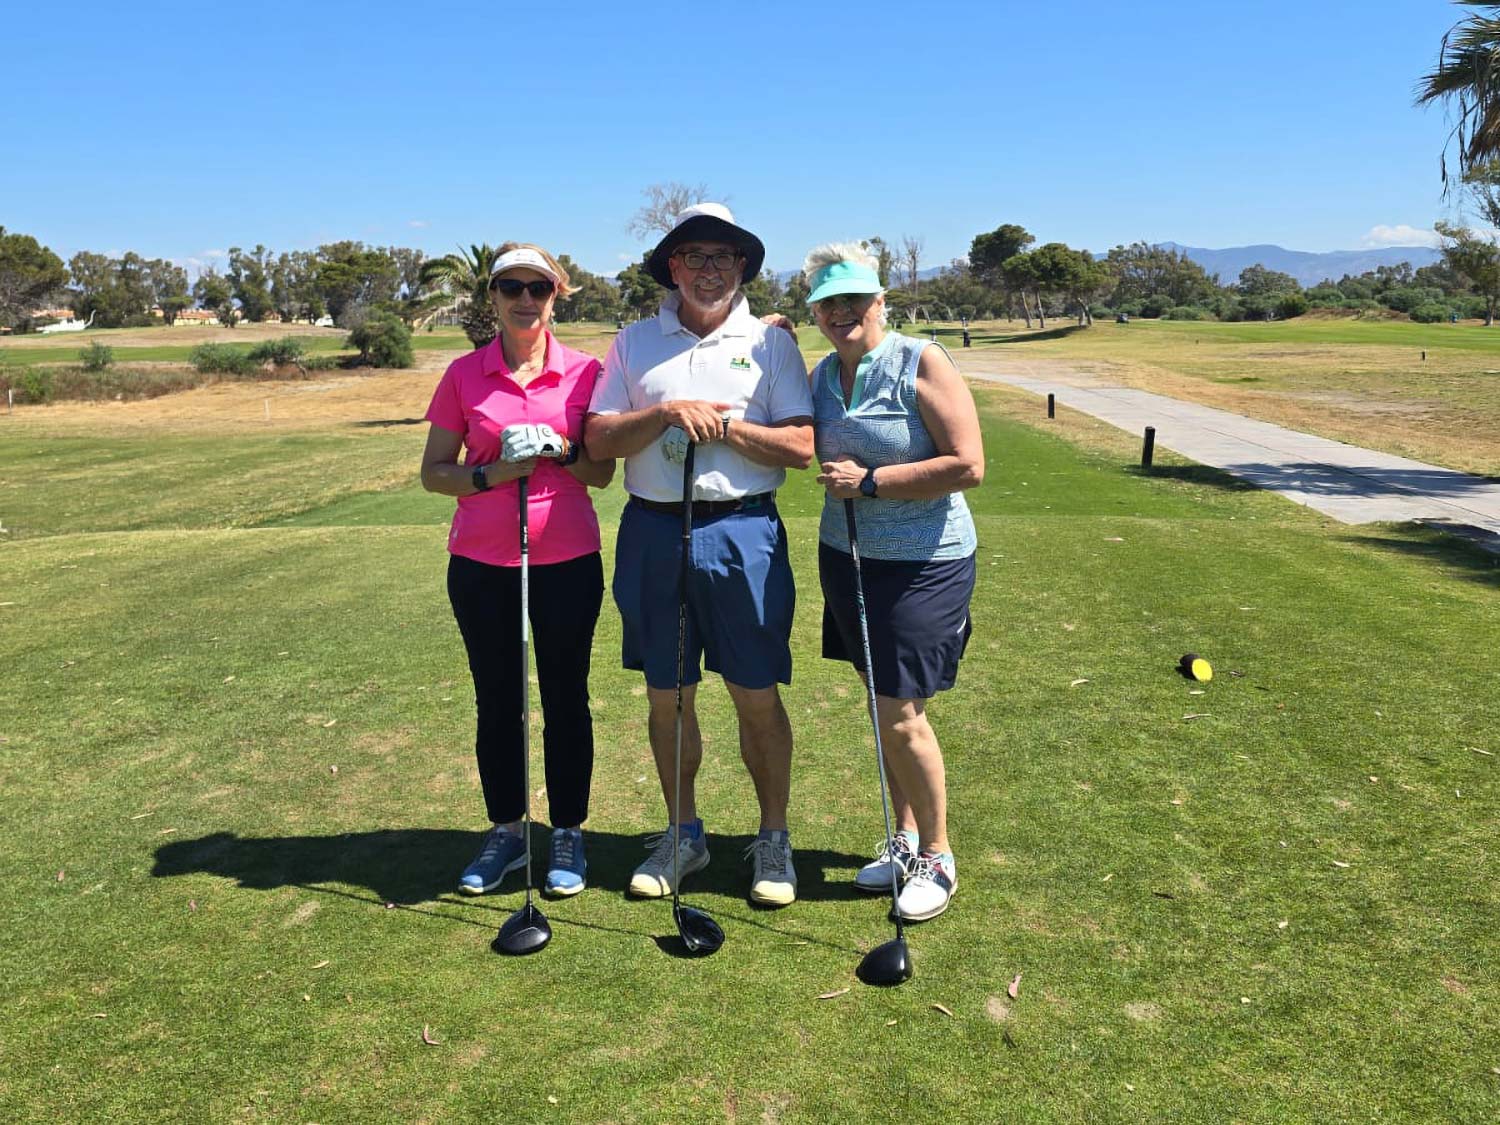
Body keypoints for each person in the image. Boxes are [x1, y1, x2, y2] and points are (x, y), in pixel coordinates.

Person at [585, 204, 813, 907]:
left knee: (756, 693)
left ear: (741, 267)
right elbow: (598, 439)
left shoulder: (771, 344)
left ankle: (773, 837)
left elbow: (801, 446)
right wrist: (663, 414)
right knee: (669, 696)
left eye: (723, 257)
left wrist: (724, 426)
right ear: (672, 267)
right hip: (653, 531)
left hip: (744, 531)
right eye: (694, 257)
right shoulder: (633, 342)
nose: (709, 270)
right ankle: (683, 832)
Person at [420, 243, 615, 898]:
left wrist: (561, 450)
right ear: (493, 298)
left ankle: (567, 832)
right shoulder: (464, 374)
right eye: (512, 288)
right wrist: (494, 472)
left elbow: (601, 472)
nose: (525, 300)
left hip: (566, 559)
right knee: (498, 698)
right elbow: (434, 473)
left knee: (565, 697)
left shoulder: (586, 373)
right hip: (482, 563)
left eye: (538, 288)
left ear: (556, 296)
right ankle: (506, 829)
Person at [802, 242, 984, 921]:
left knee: (902, 712)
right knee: (882, 705)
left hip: (925, 562)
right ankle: (904, 840)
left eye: (855, 298)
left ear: (880, 301)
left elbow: (968, 464)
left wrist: (872, 480)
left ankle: (938, 855)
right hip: (847, 557)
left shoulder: (921, 360)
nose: (841, 311)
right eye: (828, 302)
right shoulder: (822, 374)